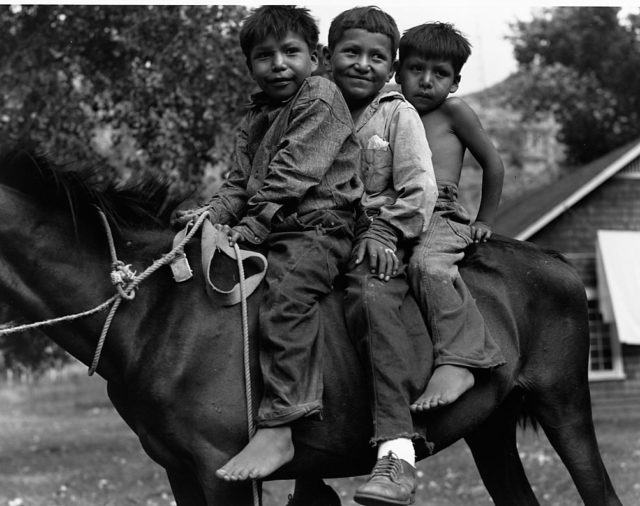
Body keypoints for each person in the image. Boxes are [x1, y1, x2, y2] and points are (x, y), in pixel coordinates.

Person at [174, 5, 363, 481]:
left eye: (290, 52)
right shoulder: (255, 116)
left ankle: (282, 425)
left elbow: (294, 173)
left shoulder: (321, 95)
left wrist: (250, 228)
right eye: (264, 56)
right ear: (250, 66)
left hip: (320, 227)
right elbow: (238, 184)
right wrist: (208, 218)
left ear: (316, 57)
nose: (278, 63)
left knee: (284, 299)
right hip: (277, 227)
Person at [324, 7, 437, 505]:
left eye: (376, 57)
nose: (363, 64)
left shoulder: (397, 114)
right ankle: (305, 466)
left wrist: (385, 231)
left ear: (391, 67)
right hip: (322, 237)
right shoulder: (314, 111)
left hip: (385, 238)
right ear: (328, 58)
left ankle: (397, 452)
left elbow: (419, 187)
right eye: (351, 52)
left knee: (372, 298)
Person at [395, 22, 506, 412]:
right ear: (397, 71)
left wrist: (484, 218)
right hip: (393, 209)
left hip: (439, 212)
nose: (426, 81)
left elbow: (492, 164)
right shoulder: (389, 109)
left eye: (439, 74)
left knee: (428, 264)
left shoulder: (454, 111)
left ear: (455, 82)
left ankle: (459, 360)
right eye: (416, 69)